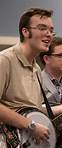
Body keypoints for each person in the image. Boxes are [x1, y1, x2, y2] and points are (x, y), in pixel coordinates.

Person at [0, 7, 55, 147]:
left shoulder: (37, 69)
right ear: (25, 31)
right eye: (42, 28)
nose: (49, 34)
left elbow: (33, 110)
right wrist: (30, 125)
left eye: (51, 30)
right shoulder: (5, 60)